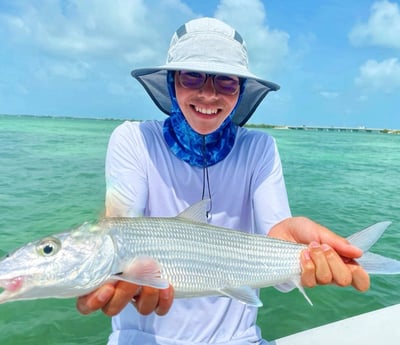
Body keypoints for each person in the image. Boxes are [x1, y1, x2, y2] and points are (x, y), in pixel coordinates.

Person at [77, 17, 369, 344]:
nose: (208, 94)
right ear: (172, 82)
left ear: (240, 90)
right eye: (192, 76)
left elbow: (278, 238)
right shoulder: (134, 139)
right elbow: (121, 226)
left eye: (226, 81)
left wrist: (299, 257)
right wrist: (106, 268)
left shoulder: (259, 148)